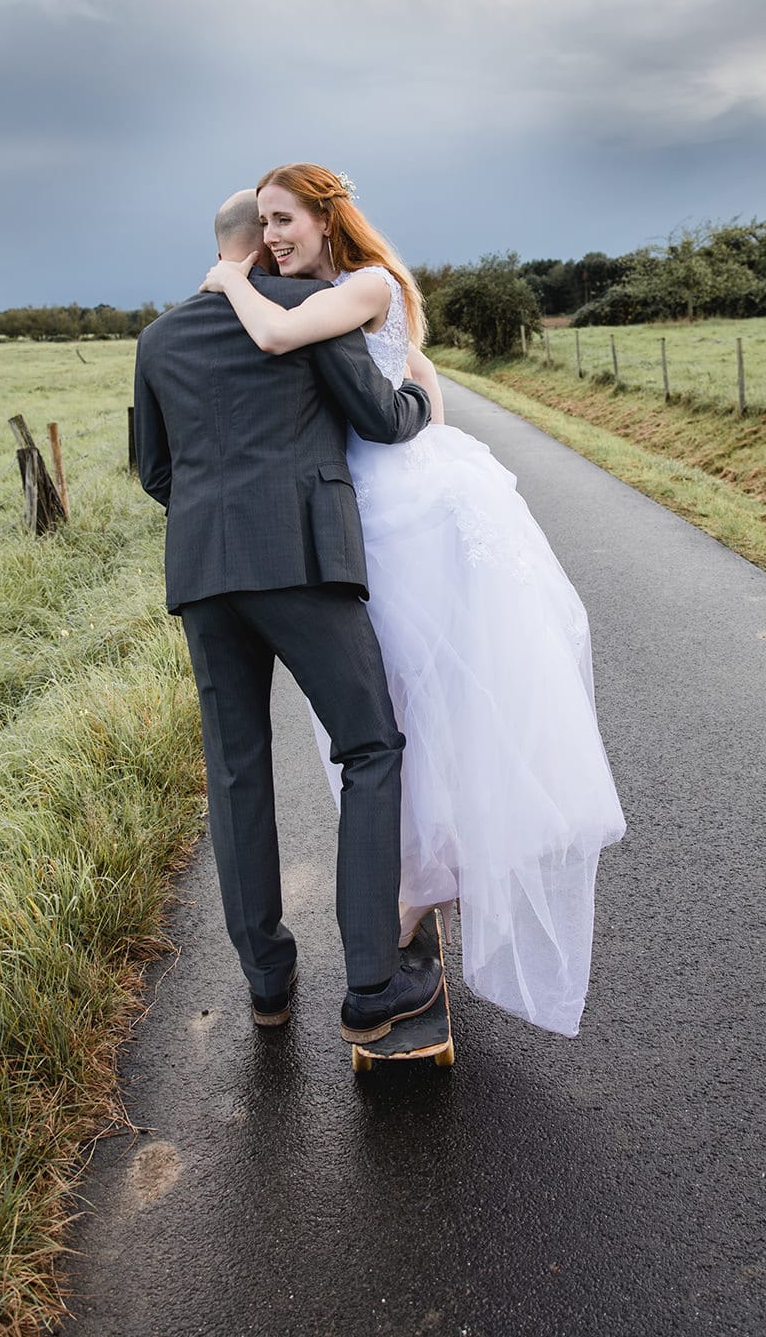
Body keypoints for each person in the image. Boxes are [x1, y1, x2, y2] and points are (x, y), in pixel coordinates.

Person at [199, 164, 626, 1037]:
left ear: (326, 217)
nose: (274, 235)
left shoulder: (360, 282)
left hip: (396, 519)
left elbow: (282, 342)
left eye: (285, 220)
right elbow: (411, 368)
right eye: (264, 224)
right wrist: (420, 395)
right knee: (391, 710)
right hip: (354, 513)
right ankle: (410, 885)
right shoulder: (339, 288)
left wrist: (230, 277)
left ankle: (415, 888)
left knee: (404, 710)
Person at [133, 188, 443, 1045]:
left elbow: (154, 470)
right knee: (370, 747)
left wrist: (212, 516)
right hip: (301, 559)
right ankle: (373, 982)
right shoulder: (307, 305)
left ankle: (267, 981)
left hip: (201, 569)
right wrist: (423, 398)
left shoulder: (156, 339)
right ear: (262, 247)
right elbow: (378, 419)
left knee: (235, 771)